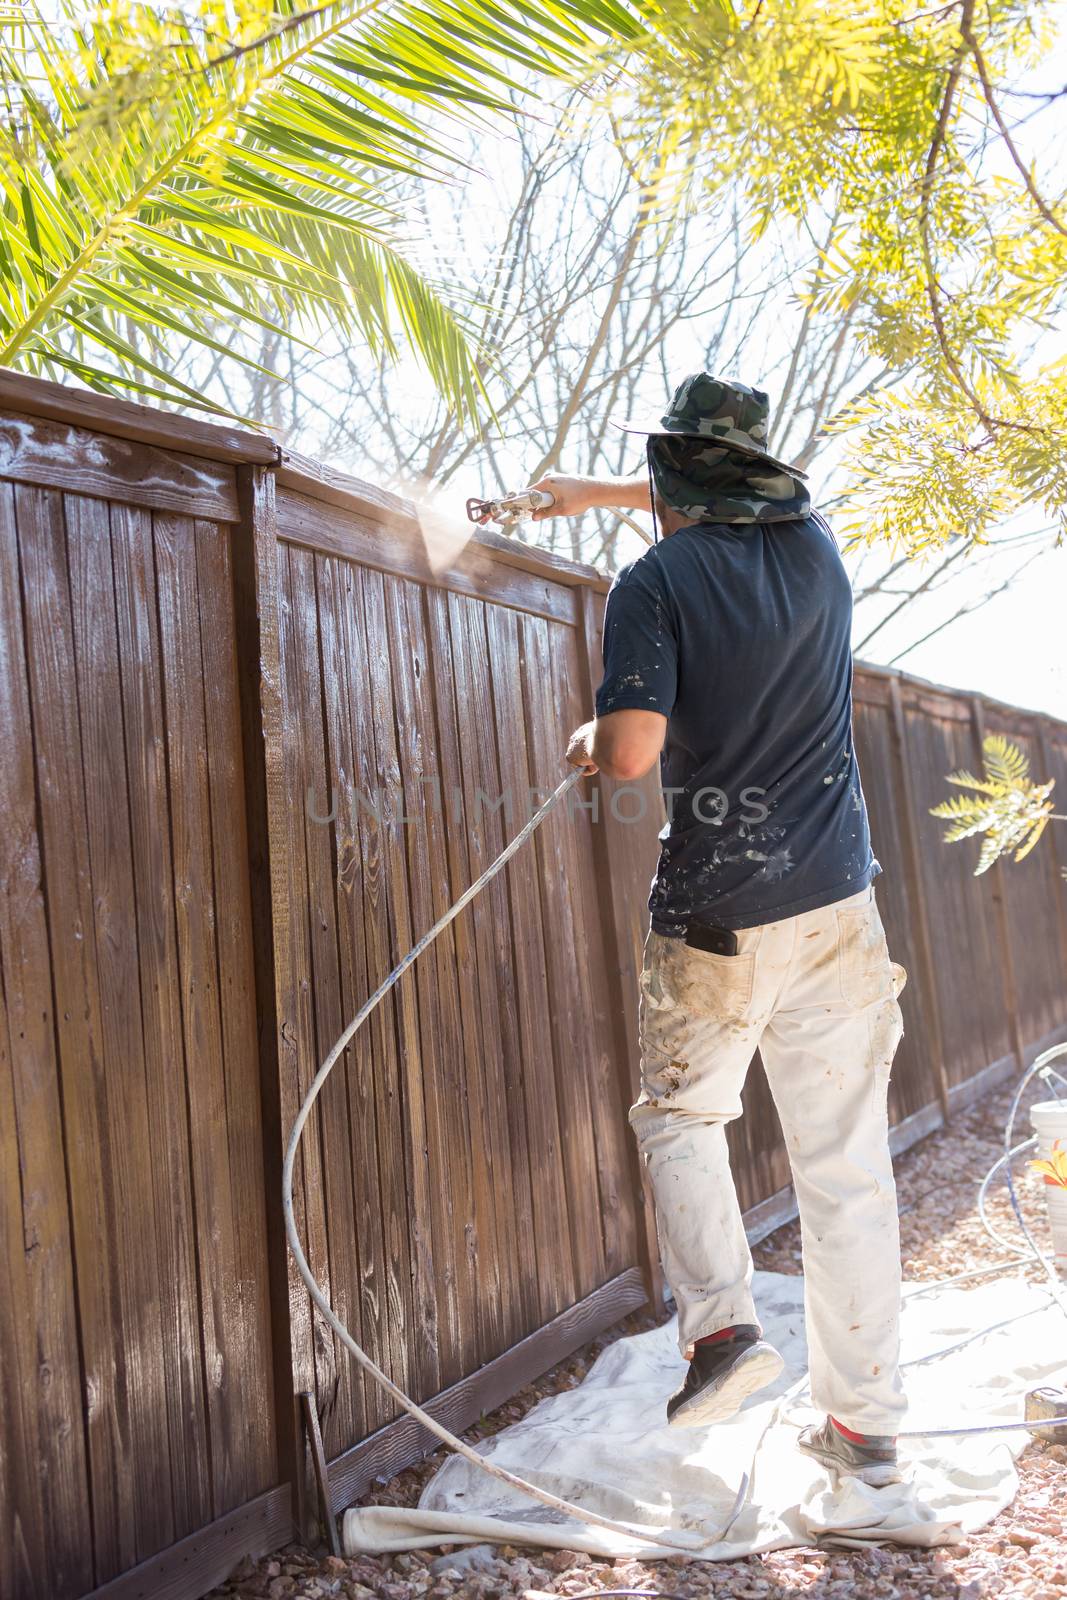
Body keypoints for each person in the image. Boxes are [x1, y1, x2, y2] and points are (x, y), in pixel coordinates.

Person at [533, 373, 907, 1489]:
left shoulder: (650, 582)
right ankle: (863, 1427)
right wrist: (591, 493)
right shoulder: (819, 552)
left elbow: (634, 753)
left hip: (719, 914)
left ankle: (721, 1334)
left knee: (679, 1116)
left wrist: (589, 741)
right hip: (840, 903)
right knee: (845, 1172)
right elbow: (728, 509)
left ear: (673, 473)